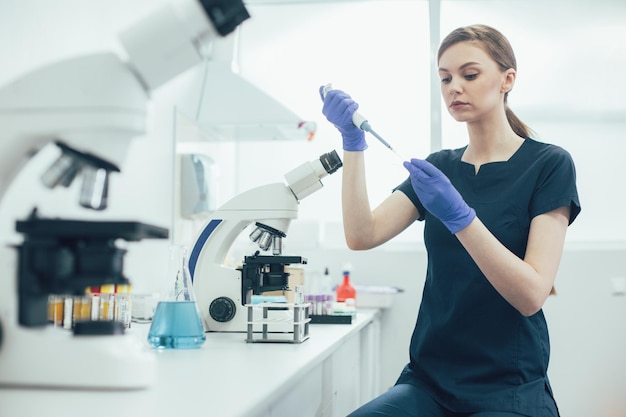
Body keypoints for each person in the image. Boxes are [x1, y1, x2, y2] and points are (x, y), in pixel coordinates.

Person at [319, 24, 581, 417]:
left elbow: (531, 295)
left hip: (509, 386)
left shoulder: (548, 164)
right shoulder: (441, 167)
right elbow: (362, 234)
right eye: (445, 78)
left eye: (469, 74)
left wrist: (461, 218)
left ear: (507, 79)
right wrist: (352, 144)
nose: (454, 87)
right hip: (430, 382)